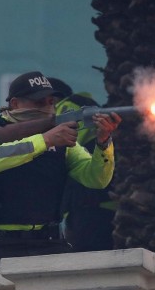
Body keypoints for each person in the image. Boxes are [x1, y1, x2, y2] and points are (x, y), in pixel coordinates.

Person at [0, 71, 121, 268]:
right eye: (39, 102)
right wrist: (46, 140)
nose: (48, 108)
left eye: (51, 102)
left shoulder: (61, 136)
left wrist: (104, 141)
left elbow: (96, 178)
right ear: (15, 104)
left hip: (49, 244)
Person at [50, 77, 117, 252]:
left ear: (54, 99)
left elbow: (63, 147)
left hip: (90, 204)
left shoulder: (67, 108)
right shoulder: (84, 105)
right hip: (103, 200)